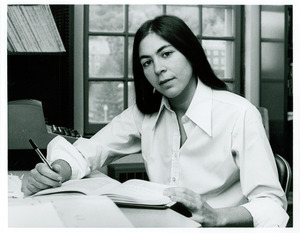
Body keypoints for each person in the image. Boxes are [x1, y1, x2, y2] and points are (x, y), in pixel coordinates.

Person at [23, 15, 289, 227]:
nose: (158, 69)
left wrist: (216, 216)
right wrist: (55, 170)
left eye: (166, 54)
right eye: (146, 62)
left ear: (190, 53)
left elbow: (271, 204)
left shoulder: (239, 114)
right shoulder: (144, 113)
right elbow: (90, 151)